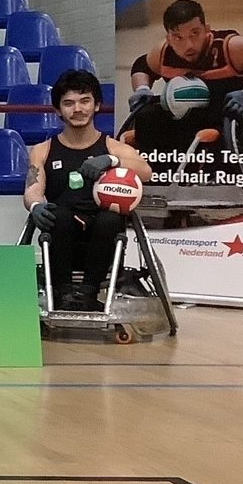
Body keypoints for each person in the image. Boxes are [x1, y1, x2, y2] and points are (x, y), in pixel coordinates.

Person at [127, 0, 243, 197]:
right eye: (178, 37)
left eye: (195, 33)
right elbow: (142, 66)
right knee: (147, 115)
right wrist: (142, 88)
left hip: (232, 120)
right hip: (187, 121)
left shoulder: (230, 48)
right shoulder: (163, 53)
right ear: (168, 38)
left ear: (207, 30)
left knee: (240, 122)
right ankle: (156, 181)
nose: (189, 44)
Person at [26, 70, 152, 311]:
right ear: (57, 110)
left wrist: (112, 161)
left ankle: (88, 294)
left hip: (103, 236)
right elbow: (32, 188)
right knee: (58, 214)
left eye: (85, 101)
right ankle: (63, 294)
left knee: (110, 218)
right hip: (60, 235)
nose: (78, 109)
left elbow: (146, 171)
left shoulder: (113, 147)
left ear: (97, 105)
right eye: (69, 103)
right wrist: (35, 206)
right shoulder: (43, 150)